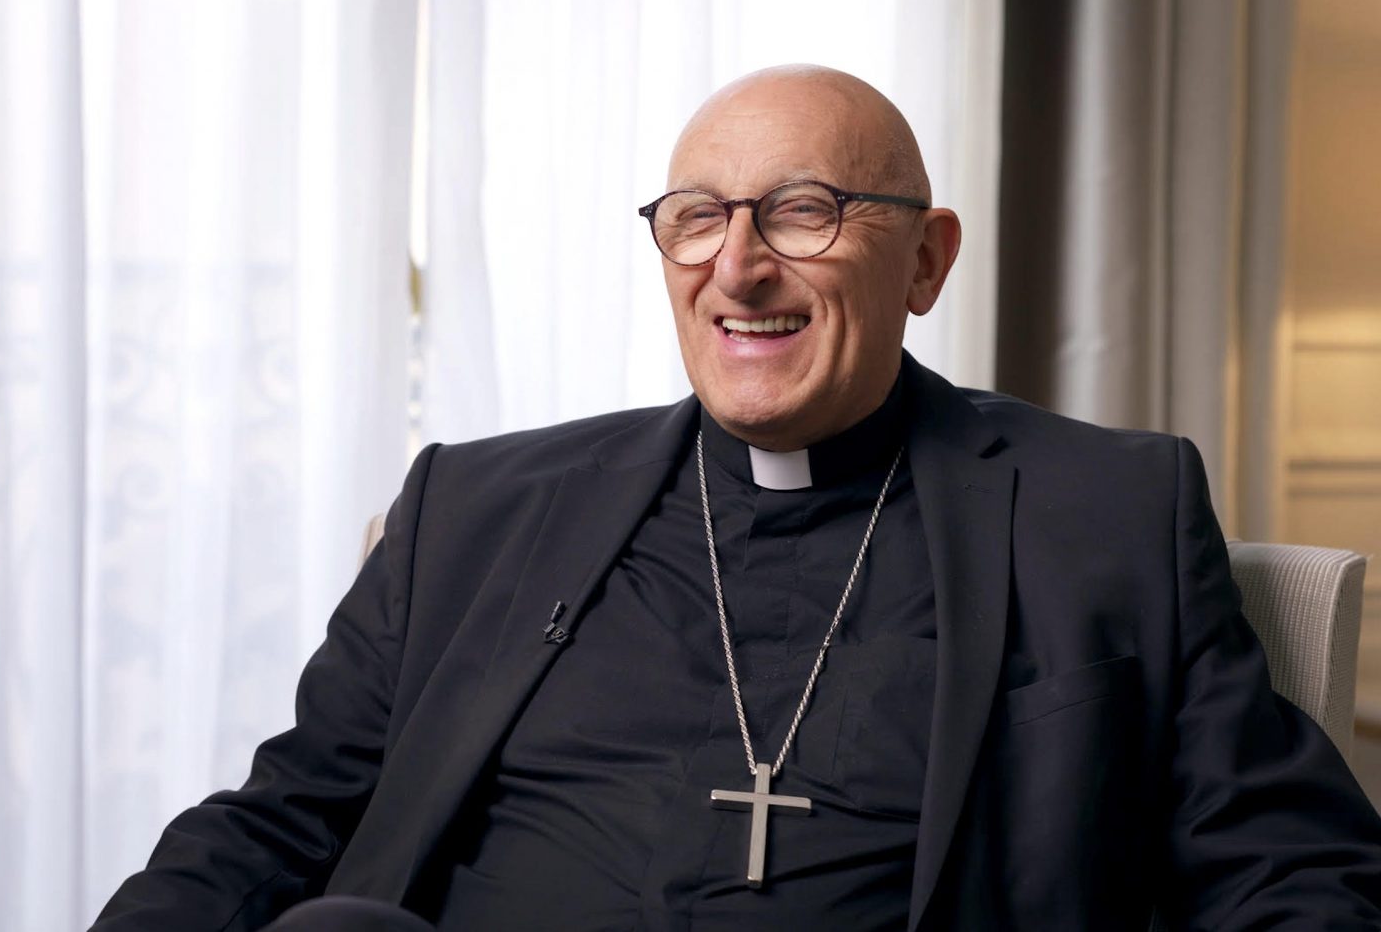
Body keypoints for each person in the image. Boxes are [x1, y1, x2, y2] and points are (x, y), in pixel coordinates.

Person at [94, 65, 1381, 931]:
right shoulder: (473, 509)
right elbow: (279, 823)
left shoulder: (1106, 512)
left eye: (804, 213)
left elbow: (1292, 870)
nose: (739, 268)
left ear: (926, 262)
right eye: (697, 218)